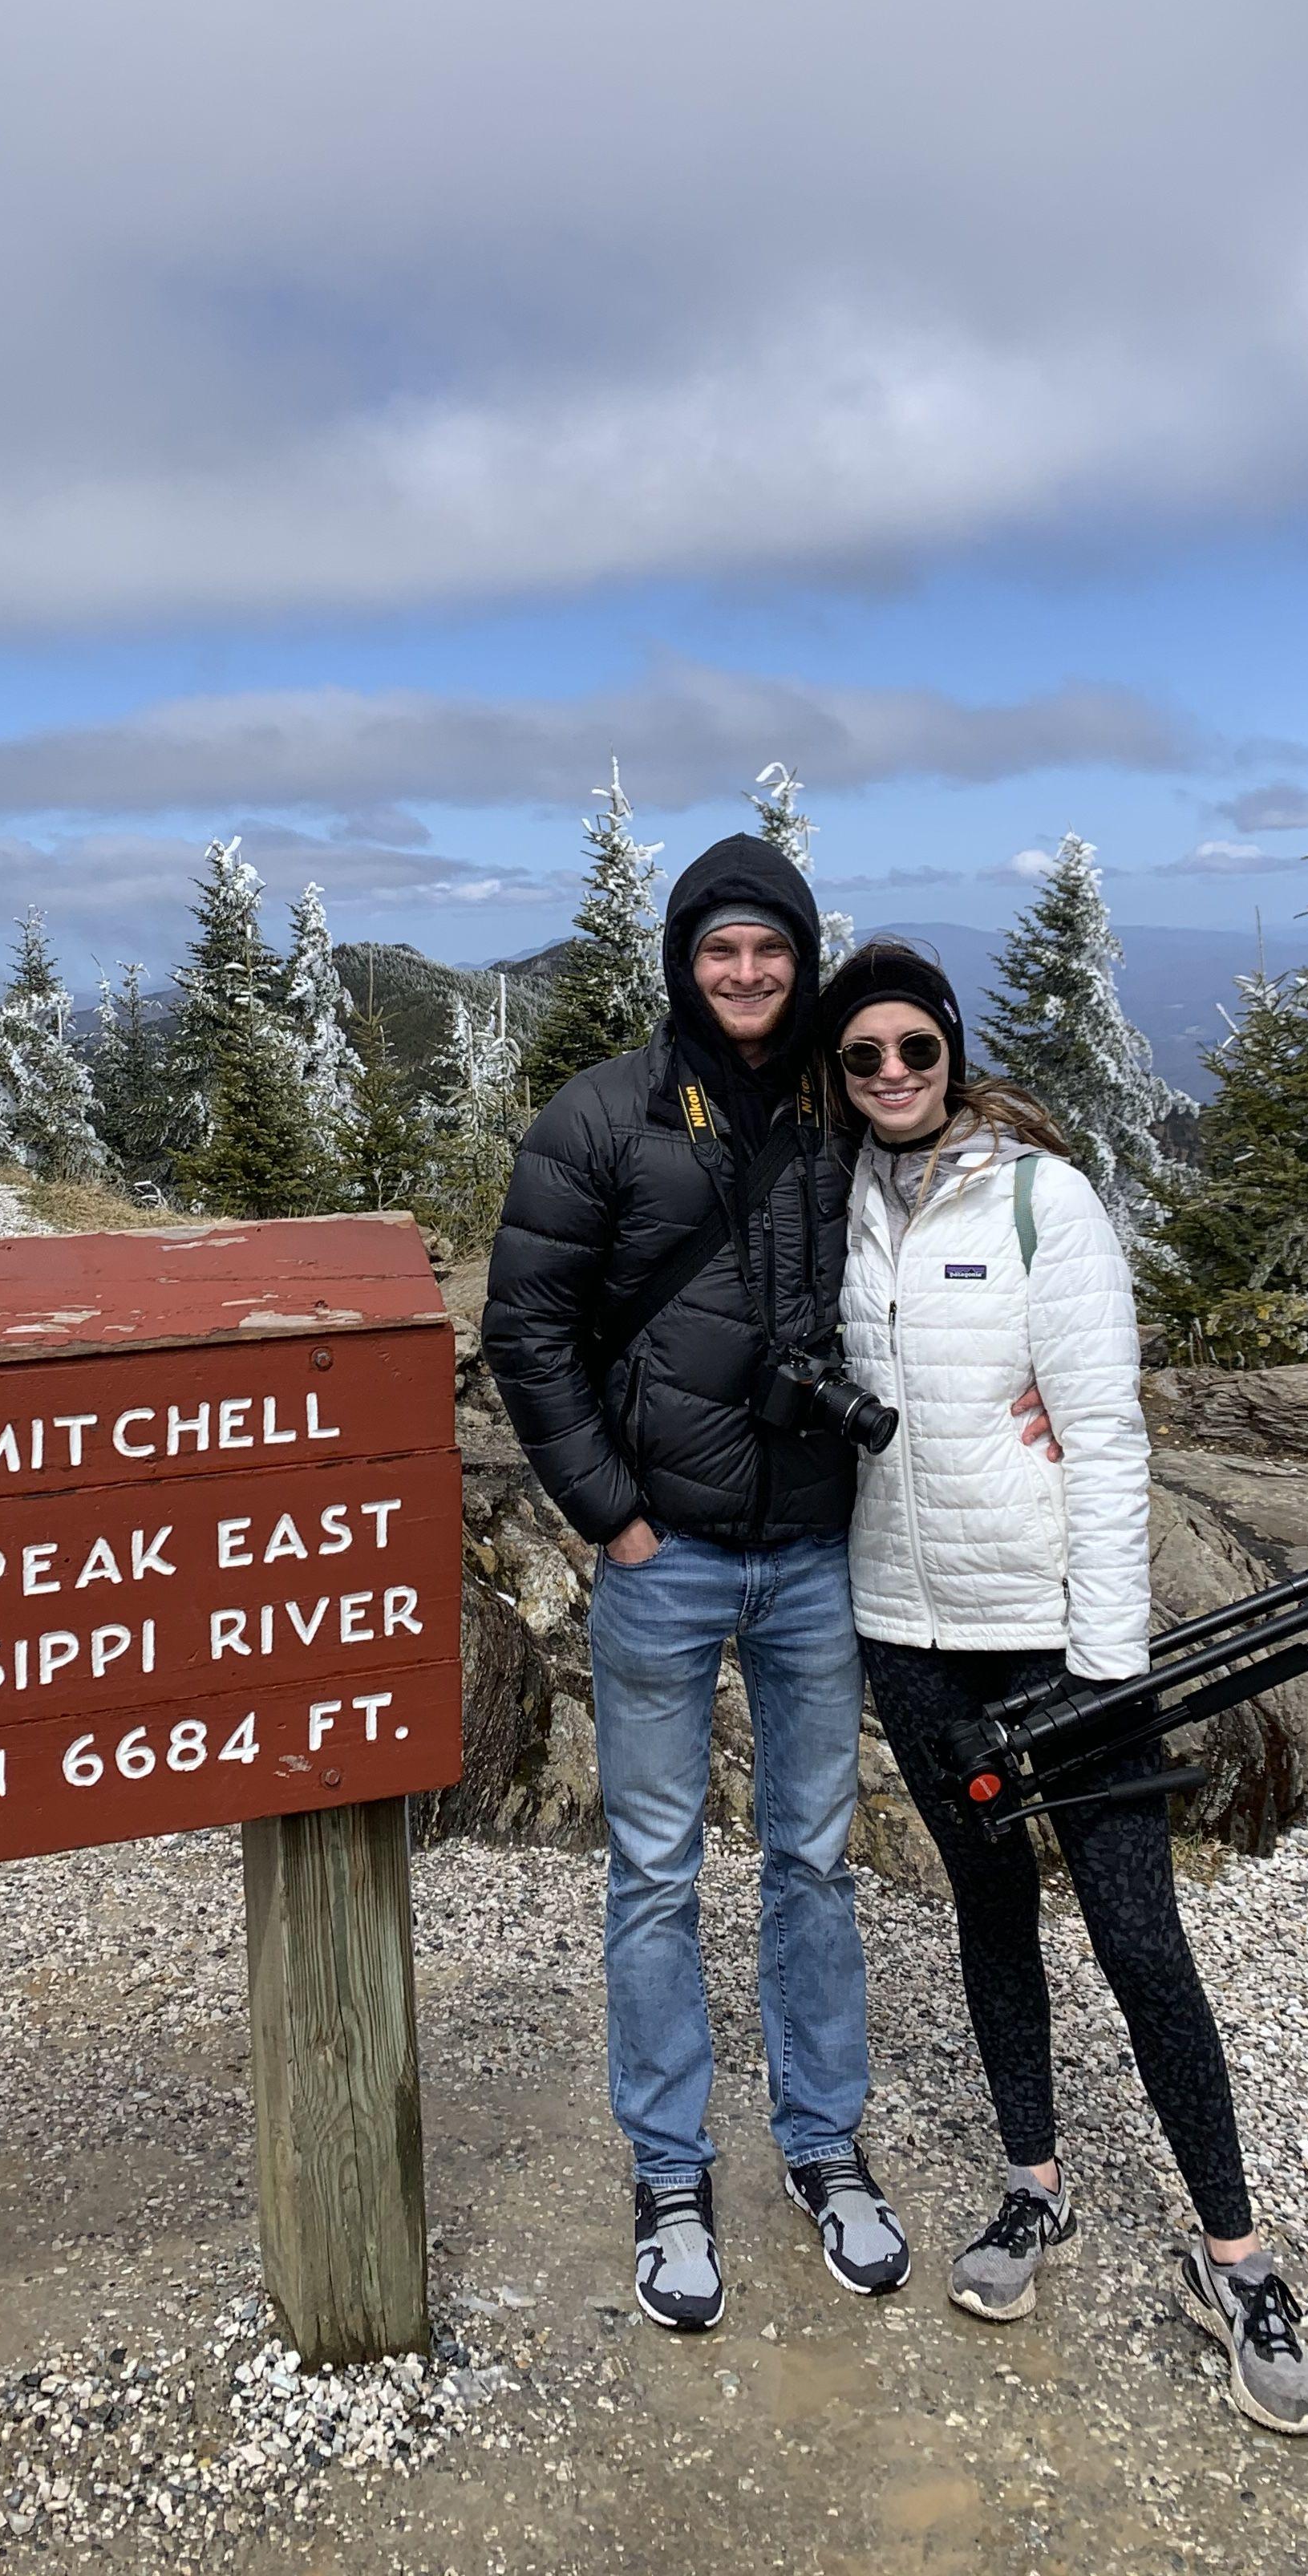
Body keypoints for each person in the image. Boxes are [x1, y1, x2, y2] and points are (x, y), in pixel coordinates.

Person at [820, 937, 1308, 2435]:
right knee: (988, 1906)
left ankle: (1235, 2256)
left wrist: (1110, 1655)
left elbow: (1106, 1437)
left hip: (1050, 1629)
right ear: (840, 1076)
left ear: (951, 1052)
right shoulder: (835, 1202)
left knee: (1134, 1929)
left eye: (917, 1048)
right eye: (865, 1056)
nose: (894, 1074)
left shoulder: (1044, 1199)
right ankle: (1032, 2183)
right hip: (904, 1624)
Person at [482, 834, 909, 2332]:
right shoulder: (601, 1114)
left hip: (814, 1552)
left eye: (770, 948)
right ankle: (670, 2169)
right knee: (656, 1871)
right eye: (720, 948)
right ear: (683, 959)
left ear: (802, 958)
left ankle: (823, 2140)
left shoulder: (845, 1102)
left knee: (813, 1862)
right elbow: (526, 1328)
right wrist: (613, 1517)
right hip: (666, 1558)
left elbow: (952, 1224)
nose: (746, 972)